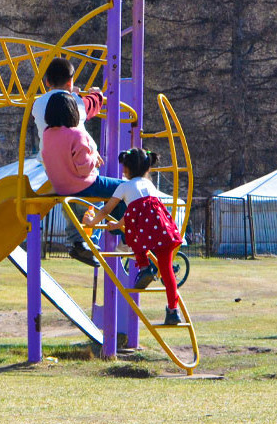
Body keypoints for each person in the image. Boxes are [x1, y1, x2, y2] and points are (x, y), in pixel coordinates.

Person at [82, 148, 184, 326]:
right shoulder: (150, 186)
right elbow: (139, 210)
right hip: (163, 229)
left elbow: (107, 210)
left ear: (127, 169)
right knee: (167, 270)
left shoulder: (124, 186)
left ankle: (144, 267)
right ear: (146, 168)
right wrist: (118, 224)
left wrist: (92, 222)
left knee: (134, 234)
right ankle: (173, 311)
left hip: (143, 230)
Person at [31, 57, 103, 265]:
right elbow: (91, 105)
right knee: (93, 196)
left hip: (50, 161)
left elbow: (63, 103)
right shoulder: (77, 103)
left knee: (70, 195)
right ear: (70, 82)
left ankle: (79, 240)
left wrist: (73, 95)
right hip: (76, 158)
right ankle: (87, 240)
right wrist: (96, 94)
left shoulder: (37, 104)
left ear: (47, 81)